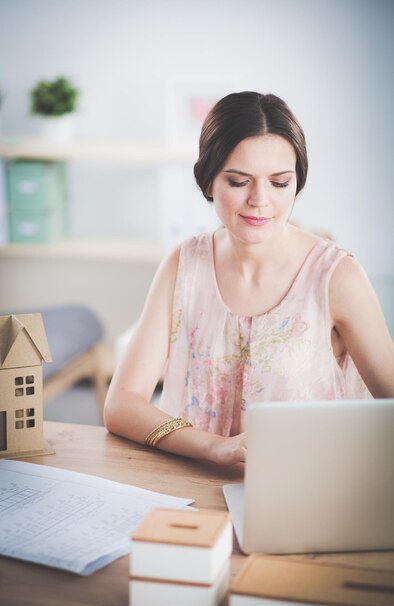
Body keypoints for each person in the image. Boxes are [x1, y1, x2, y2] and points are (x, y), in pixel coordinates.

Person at [104, 91, 394, 466]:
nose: (260, 200)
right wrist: (212, 447)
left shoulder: (336, 276)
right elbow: (121, 404)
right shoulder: (184, 265)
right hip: (190, 484)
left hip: (307, 494)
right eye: (240, 182)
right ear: (209, 182)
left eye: (279, 182)